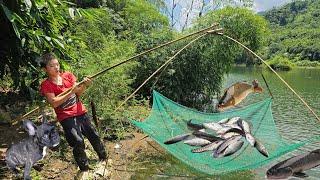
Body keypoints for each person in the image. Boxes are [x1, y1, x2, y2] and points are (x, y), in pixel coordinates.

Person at [39, 53, 106, 178]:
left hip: (81, 112)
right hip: (66, 117)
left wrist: (85, 84)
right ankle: (84, 168)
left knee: (94, 135)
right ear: (45, 69)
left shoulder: (68, 76)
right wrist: (71, 92)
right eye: (52, 66)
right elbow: (54, 103)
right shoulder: (46, 85)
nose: (56, 67)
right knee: (78, 141)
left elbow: (78, 93)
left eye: (57, 64)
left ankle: (103, 158)